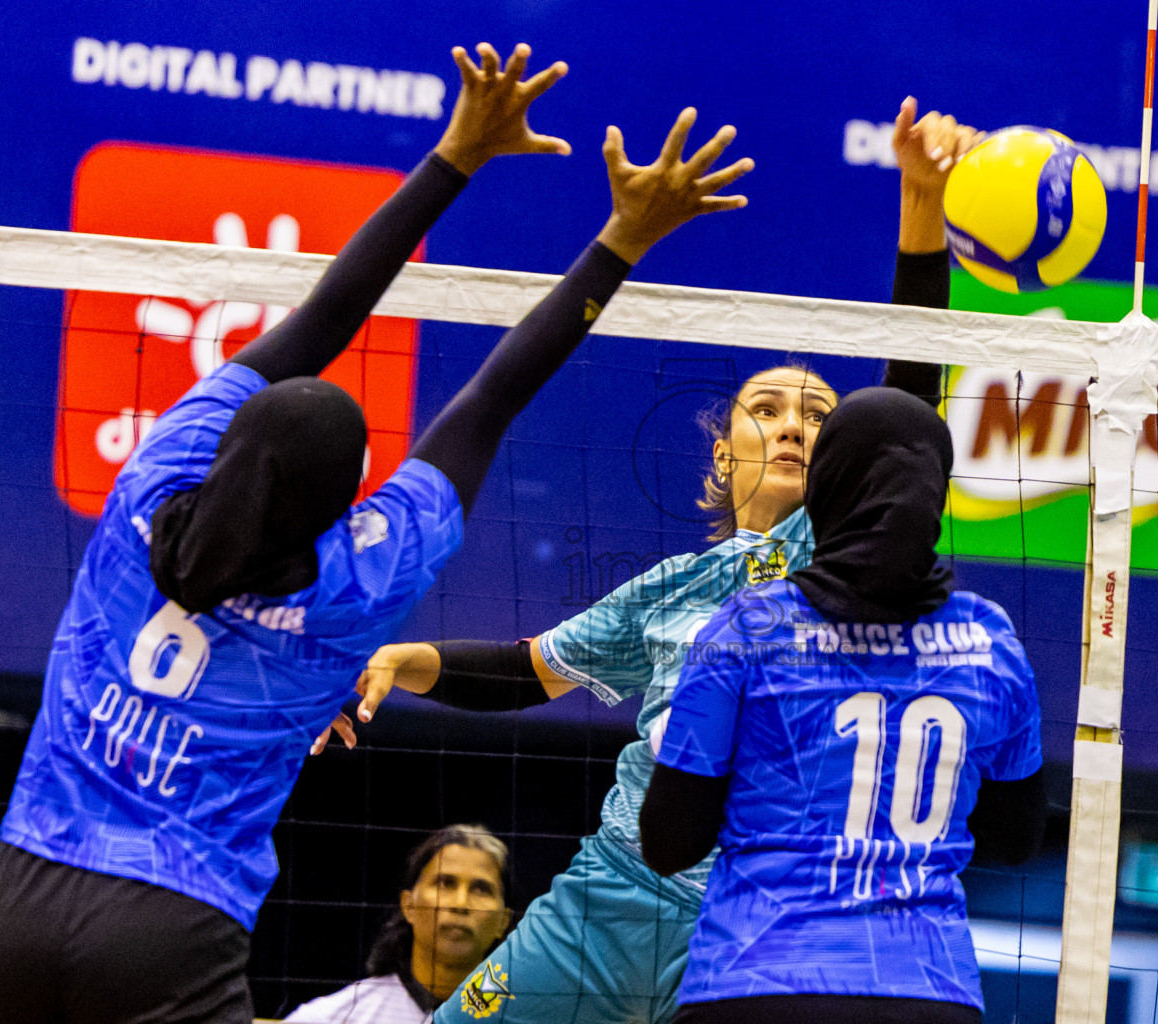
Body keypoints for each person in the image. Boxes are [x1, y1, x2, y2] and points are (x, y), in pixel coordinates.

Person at [0, 38, 753, 1024]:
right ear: (341, 503)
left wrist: (451, 153)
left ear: (232, 444)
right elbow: (491, 399)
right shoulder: (351, 589)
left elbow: (325, 314)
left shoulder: (146, 490)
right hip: (170, 922)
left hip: (20, 894)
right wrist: (620, 239)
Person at [324, 100, 987, 1024]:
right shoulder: (670, 589)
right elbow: (528, 671)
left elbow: (911, 390)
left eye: (818, 416)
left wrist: (922, 202)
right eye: (767, 410)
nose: (795, 424)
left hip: (751, 919)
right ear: (722, 455)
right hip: (610, 896)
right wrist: (403, 662)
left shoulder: (846, 556)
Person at [639, 386, 1047, 1024]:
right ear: (934, 489)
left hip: (755, 985)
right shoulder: (990, 641)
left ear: (827, 486)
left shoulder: (747, 629)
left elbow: (669, 843)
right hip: (929, 993)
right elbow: (1015, 841)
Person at [285, 825, 512, 1024]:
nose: (461, 904)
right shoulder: (334, 1017)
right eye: (444, 883)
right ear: (408, 906)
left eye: (481, 889)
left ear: (504, 921)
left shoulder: (529, 1015)